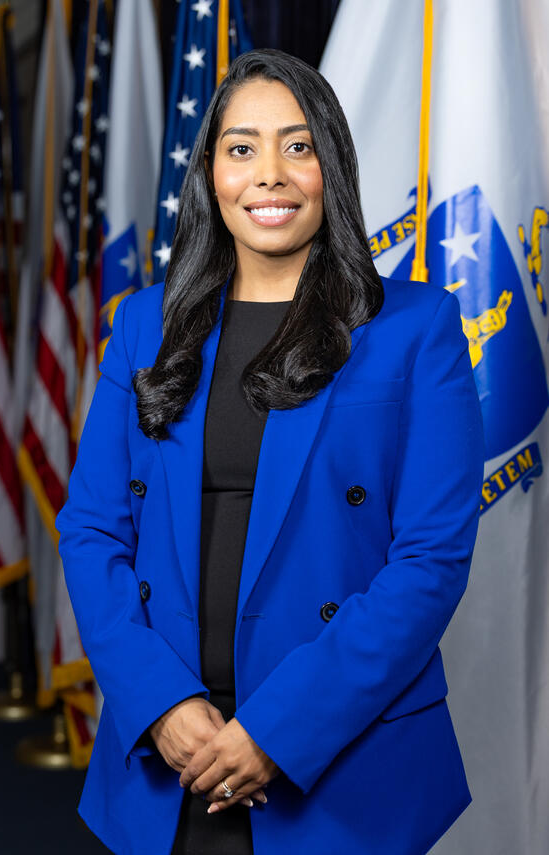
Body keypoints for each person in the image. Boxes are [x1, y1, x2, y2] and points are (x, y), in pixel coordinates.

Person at [56, 48, 485, 855]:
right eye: (242, 148)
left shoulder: (416, 330)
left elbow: (429, 560)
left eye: (298, 145)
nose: (271, 174)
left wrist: (279, 731)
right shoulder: (144, 326)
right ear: (209, 173)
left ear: (333, 164)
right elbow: (91, 530)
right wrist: (160, 702)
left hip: (339, 759)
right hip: (169, 754)